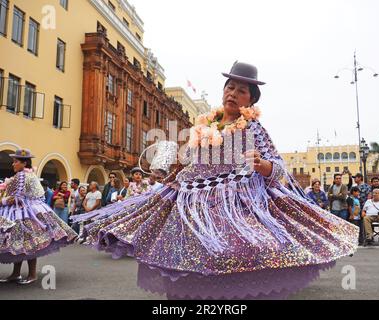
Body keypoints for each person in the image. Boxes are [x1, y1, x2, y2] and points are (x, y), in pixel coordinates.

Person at [77, 62, 359, 300]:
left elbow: (280, 169)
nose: (233, 94)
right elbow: (189, 160)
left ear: (251, 100)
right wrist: (170, 171)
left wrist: (263, 165)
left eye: (241, 90)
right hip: (191, 201)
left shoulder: (253, 127)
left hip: (237, 204)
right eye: (230, 87)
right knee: (182, 257)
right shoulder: (205, 125)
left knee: (238, 256)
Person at [0, 149, 77, 284]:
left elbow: (17, 197)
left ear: (24, 163)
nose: (13, 164)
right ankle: (17, 274)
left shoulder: (21, 175)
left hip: (22, 212)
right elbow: (39, 194)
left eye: (16, 162)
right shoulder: (31, 175)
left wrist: (2, 201)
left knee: (27, 243)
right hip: (32, 210)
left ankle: (31, 275)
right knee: (23, 243)